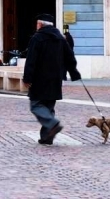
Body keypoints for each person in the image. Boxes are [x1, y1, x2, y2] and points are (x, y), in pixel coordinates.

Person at [23, 14, 81, 146]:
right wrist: (74, 73)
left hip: (39, 79)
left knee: (36, 105)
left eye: (37, 24)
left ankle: (52, 124)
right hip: (55, 79)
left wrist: (27, 78)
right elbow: (69, 57)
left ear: (40, 24)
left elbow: (31, 60)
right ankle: (46, 137)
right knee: (48, 107)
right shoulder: (60, 38)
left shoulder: (37, 38)